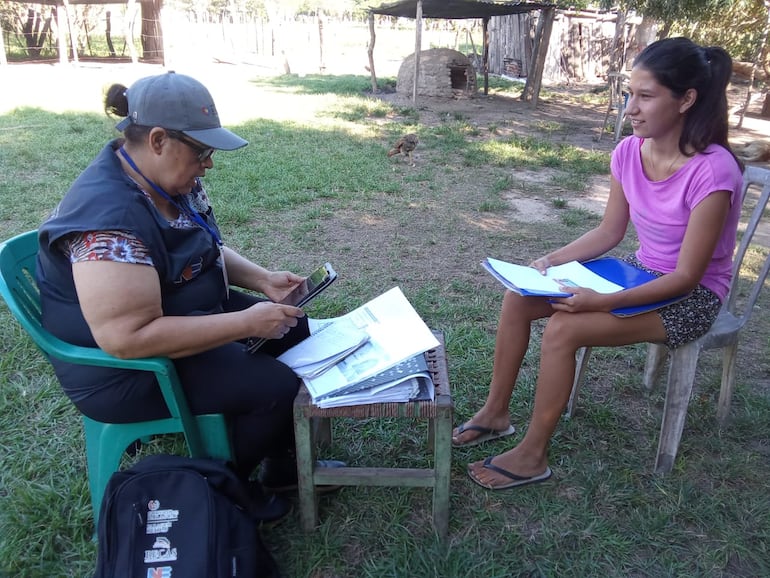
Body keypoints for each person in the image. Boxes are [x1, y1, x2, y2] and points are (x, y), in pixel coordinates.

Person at [36, 71, 341, 521]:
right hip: (126, 370)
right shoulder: (107, 222)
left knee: (293, 328)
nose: (208, 164)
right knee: (275, 385)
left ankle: (281, 464)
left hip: (177, 310)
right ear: (158, 140)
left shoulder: (166, 179)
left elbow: (199, 241)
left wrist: (262, 281)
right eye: (201, 152)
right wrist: (243, 323)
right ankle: (218, 485)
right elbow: (127, 338)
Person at [452, 37, 745, 489]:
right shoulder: (628, 151)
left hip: (693, 296)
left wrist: (600, 303)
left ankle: (532, 455)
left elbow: (687, 277)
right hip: (639, 271)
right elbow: (610, 232)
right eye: (630, 94)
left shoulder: (714, 170)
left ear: (686, 99)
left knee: (566, 327)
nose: (631, 108)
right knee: (519, 298)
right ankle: (496, 412)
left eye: (646, 96)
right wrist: (551, 260)